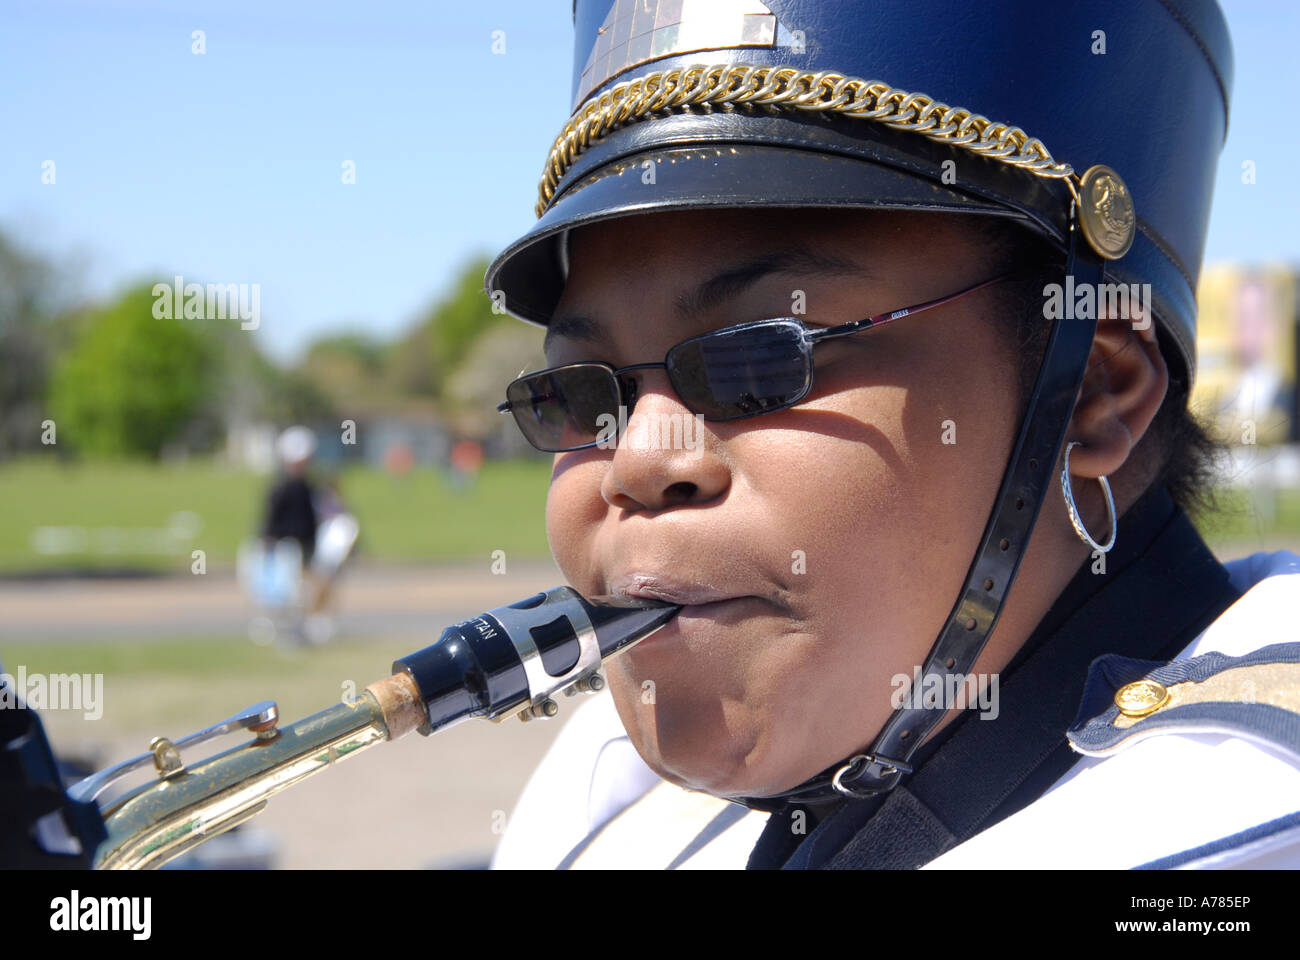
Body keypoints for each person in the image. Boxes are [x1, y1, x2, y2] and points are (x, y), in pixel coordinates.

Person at [484, 0, 1300, 869]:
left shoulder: (1245, 817)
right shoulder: (607, 790)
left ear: (1093, 395)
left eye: (761, 361)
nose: (635, 464)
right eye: (577, 395)